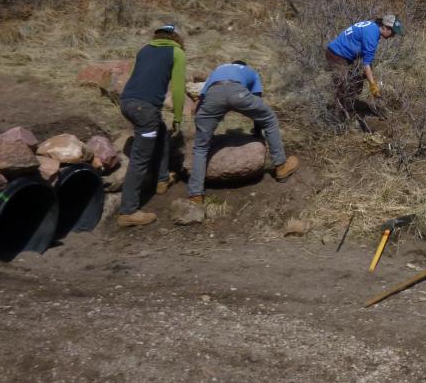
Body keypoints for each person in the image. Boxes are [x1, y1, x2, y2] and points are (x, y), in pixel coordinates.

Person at [187, 61, 299, 202]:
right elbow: (257, 101)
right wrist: (257, 133)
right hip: (237, 92)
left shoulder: (217, 69)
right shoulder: (250, 71)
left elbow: (203, 97)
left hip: (213, 94)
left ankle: (195, 194)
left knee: (200, 147)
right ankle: (281, 167)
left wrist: (202, 126)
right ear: (243, 65)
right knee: (269, 118)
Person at [116, 23, 187, 228]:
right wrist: (179, 117)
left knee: (162, 132)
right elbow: (178, 87)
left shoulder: (145, 49)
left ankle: (162, 179)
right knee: (140, 159)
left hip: (127, 103)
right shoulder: (177, 52)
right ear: (177, 38)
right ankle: (127, 212)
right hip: (145, 109)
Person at [325, 14, 404, 120]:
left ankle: (350, 105)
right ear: (385, 27)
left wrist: (369, 77)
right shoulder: (372, 35)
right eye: (393, 32)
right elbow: (366, 65)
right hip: (336, 54)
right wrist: (373, 86)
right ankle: (338, 118)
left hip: (346, 57)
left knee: (357, 80)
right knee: (342, 85)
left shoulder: (372, 27)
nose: (393, 36)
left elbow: (367, 61)